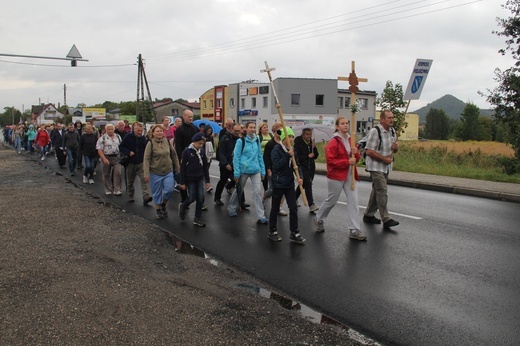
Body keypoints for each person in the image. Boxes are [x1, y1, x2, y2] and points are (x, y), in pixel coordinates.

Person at [314, 116, 366, 241]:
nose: (346, 125)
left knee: (354, 201)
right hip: (336, 175)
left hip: (350, 174)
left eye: (347, 123)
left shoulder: (351, 139)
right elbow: (331, 161)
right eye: (343, 123)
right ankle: (319, 218)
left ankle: (354, 229)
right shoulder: (334, 142)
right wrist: (347, 161)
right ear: (337, 126)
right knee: (332, 200)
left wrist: (356, 152)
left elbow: (356, 159)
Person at [267, 127, 305, 244]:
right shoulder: (276, 149)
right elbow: (277, 165)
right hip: (278, 183)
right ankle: (272, 230)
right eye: (289, 136)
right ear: (284, 137)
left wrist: (300, 177)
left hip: (289, 184)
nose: (291, 138)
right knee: (275, 208)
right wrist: (288, 155)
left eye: (292, 136)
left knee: (293, 208)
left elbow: (296, 165)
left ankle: (294, 232)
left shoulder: (292, 150)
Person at [363, 109, 400, 229]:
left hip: (386, 167)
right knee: (382, 190)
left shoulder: (393, 131)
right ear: (382, 119)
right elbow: (369, 151)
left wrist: (395, 148)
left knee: (377, 191)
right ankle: (386, 218)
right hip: (376, 166)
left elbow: (393, 150)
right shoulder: (375, 131)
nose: (392, 119)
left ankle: (368, 215)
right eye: (389, 117)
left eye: (392, 117)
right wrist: (384, 159)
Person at [227, 122, 267, 224]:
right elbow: (236, 157)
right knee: (239, 190)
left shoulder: (257, 139)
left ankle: (261, 215)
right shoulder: (241, 141)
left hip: (255, 170)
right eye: (250, 127)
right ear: (246, 128)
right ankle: (231, 207)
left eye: (254, 127)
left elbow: (259, 155)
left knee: (258, 192)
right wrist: (236, 172)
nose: (253, 129)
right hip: (244, 170)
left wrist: (263, 170)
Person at [143, 124, 180, 219]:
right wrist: (146, 174)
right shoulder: (150, 143)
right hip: (155, 172)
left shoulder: (167, 141)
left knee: (169, 190)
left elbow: (174, 154)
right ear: (153, 133)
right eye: (157, 131)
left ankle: (163, 204)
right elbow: (146, 159)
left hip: (168, 171)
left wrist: (177, 167)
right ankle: (158, 210)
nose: (159, 133)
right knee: (157, 193)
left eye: (161, 131)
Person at [178, 132, 211, 227]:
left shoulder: (202, 151)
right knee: (192, 197)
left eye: (202, 143)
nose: (201, 145)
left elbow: (205, 166)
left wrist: (207, 180)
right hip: (190, 178)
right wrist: (182, 182)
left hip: (200, 177)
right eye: (199, 143)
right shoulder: (187, 151)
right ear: (194, 142)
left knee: (200, 198)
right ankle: (183, 206)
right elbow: (183, 168)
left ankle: (197, 218)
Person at [119, 122, 153, 205]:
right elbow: (121, 147)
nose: (139, 132)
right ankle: (130, 195)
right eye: (138, 130)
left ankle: (146, 197)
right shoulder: (128, 137)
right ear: (134, 129)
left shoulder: (143, 138)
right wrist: (128, 152)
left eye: (141, 131)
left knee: (144, 180)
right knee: (130, 181)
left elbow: (146, 149)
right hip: (131, 162)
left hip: (141, 162)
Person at [174, 110, 199, 203]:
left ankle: (199, 200)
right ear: (184, 117)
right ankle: (184, 200)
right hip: (184, 157)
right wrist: (181, 159)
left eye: (192, 116)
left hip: (194, 157)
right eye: (188, 116)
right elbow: (178, 146)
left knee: (196, 179)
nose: (190, 118)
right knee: (183, 179)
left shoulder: (195, 128)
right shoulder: (179, 129)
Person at [294, 128, 320, 213]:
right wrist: (307, 156)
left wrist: (314, 147)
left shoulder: (311, 143)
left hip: (310, 167)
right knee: (308, 183)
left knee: (304, 184)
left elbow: (315, 156)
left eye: (310, 134)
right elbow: (296, 157)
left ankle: (294, 198)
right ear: (303, 134)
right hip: (302, 166)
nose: (309, 136)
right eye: (307, 134)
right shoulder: (298, 142)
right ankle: (311, 204)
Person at [96, 123, 123, 195]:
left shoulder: (118, 136)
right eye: (109, 129)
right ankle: (107, 189)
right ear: (106, 130)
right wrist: (104, 159)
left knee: (118, 173)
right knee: (106, 174)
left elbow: (121, 145)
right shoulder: (102, 138)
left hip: (116, 157)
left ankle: (117, 189)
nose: (111, 131)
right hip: (106, 156)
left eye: (112, 129)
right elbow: (99, 149)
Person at [203, 125, 215, 192]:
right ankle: (208, 185)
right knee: (205, 171)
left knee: (206, 170)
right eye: (208, 131)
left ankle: (207, 184)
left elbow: (213, 146)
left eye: (210, 131)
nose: (209, 132)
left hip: (209, 156)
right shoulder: (203, 137)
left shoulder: (211, 137)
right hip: (204, 156)